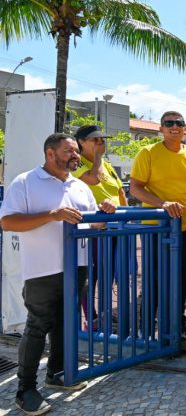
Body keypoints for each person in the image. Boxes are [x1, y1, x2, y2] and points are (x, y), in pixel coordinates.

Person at [0, 133, 115, 415]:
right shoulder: (25, 182)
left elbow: (91, 225)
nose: (76, 156)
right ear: (50, 153)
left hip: (77, 266)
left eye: (76, 151)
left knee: (66, 321)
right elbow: (7, 221)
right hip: (42, 268)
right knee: (38, 326)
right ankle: (25, 390)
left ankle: (57, 373)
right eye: (69, 152)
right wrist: (52, 215)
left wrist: (103, 214)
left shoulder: (80, 186)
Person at [130, 111, 186, 340]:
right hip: (157, 228)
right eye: (169, 123)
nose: (175, 126)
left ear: (185, 128)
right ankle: (146, 329)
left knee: (181, 281)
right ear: (161, 128)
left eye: (179, 123)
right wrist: (163, 204)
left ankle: (177, 325)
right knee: (154, 280)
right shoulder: (148, 152)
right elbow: (136, 188)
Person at [72, 124, 126, 331]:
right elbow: (93, 180)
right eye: (95, 139)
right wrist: (96, 157)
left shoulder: (107, 164)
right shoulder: (77, 163)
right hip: (93, 229)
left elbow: (120, 191)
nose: (100, 142)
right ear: (81, 142)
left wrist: (126, 217)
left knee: (108, 274)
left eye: (101, 138)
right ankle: (91, 319)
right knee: (90, 276)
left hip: (113, 227)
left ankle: (103, 316)